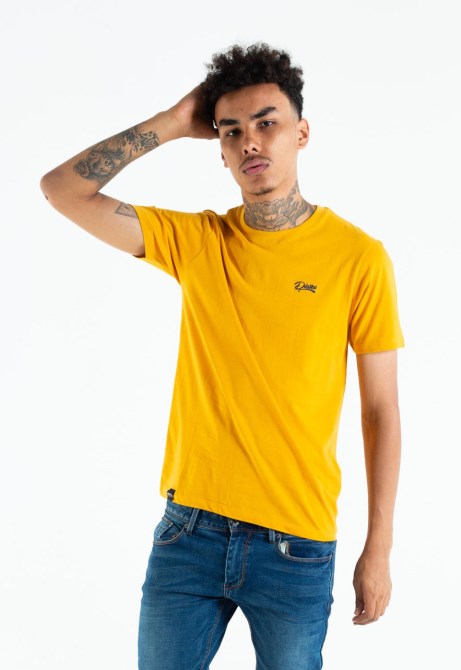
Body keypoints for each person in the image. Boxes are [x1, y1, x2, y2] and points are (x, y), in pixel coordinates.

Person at [41, 43, 405, 669]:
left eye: (266, 122)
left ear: (302, 133)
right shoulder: (198, 241)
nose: (249, 141)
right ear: (219, 148)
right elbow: (61, 190)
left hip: (296, 544)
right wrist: (171, 122)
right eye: (231, 130)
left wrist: (379, 548)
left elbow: (381, 412)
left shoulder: (358, 257)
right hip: (189, 534)